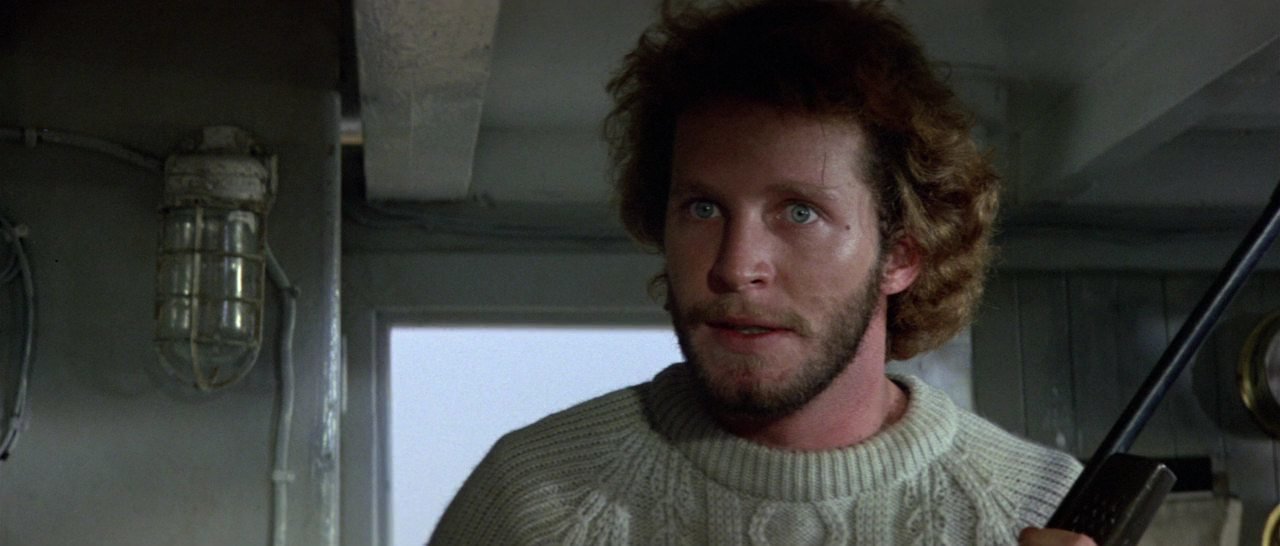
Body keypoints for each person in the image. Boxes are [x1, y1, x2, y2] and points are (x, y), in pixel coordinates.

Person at [431, 1, 1094, 544]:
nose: (734, 266)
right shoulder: (534, 501)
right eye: (702, 208)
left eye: (800, 213)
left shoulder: (1044, 509)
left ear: (900, 256)